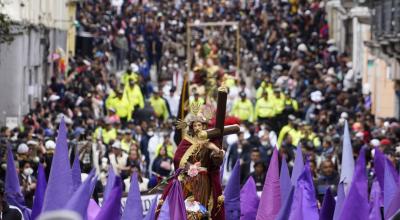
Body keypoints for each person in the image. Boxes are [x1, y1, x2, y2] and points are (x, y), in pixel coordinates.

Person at [156, 101, 226, 219]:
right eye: (195, 125)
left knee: (202, 209)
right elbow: (178, 159)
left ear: (204, 126)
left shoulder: (211, 140)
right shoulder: (187, 141)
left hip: (204, 180)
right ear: (192, 127)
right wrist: (190, 167)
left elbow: (217, 159)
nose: (197, 128)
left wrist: (216, 150)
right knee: (187, 208)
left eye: (199, 125)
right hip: (188, 180)